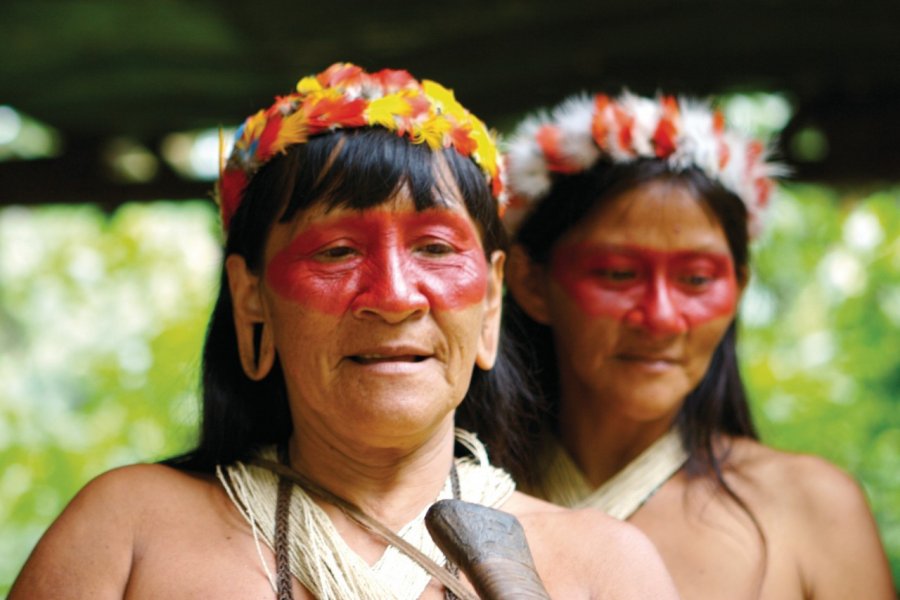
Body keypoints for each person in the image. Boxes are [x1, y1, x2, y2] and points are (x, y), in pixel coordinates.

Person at [10, 64, 680, 599]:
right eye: (336, 251)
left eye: (437, 249)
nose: (392, 297)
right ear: (252, 299)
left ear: (492, 301)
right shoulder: (126, 534)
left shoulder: (605, 569)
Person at [501, 91, 895, 599]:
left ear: (739, 288)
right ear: (531, 282)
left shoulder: (814, 510)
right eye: (619, 274)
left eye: (696, 280)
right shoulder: (440, 493)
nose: (661, 317)